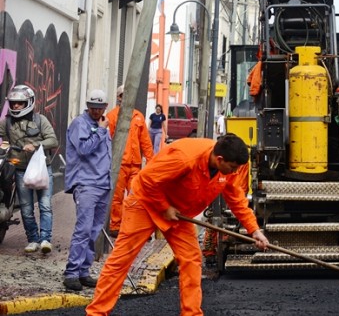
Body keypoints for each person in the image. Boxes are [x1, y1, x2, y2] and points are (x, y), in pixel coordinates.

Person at [86, 134, 269, 315]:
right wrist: (164, 207)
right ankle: (96, 312)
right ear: (220, 159)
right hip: (146, 204)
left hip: (179, 214)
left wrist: (254, 230)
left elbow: (237, 200)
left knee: (191, 260)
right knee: (121, 259)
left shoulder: (226, 170)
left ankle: (191, 313)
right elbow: (146, 180)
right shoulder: (184, 157)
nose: (235, 172)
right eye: (233, 167)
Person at [0, 85, 59, 253]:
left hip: (42, 169)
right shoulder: (7, 122)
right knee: (26, 207)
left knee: (45, 205)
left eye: (20, 103)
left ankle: (45, 239)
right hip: (20, 170)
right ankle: (32, 239)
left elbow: (53, 140)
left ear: (29, 103)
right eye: (13, 103)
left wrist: (36, 144)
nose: (16, 106)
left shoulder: (41, 120)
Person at [63, 89, 111, 291]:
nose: (96, 111)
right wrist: (100, 131)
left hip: (103, 185)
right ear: (87, 105)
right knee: (83, 230)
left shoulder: (102, 126)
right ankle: (71, 273)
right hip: (86, 184)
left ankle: (83, 271)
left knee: (94, 230)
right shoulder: (80, 124)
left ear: (105, 108)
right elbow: (83, 150)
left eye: (99, 108)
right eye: (92, 107)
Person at [105, 86, 155, 236]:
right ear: (118, 97)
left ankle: (133, 227)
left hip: (135, 165)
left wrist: (151, 161)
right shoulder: (112, 116)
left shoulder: (138, 116)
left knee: (136, 197)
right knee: (117, 197)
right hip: (119, 165)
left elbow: (145, 142)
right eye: (122, 95)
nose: (124, 98)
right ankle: (115, 226)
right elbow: (107, 141)